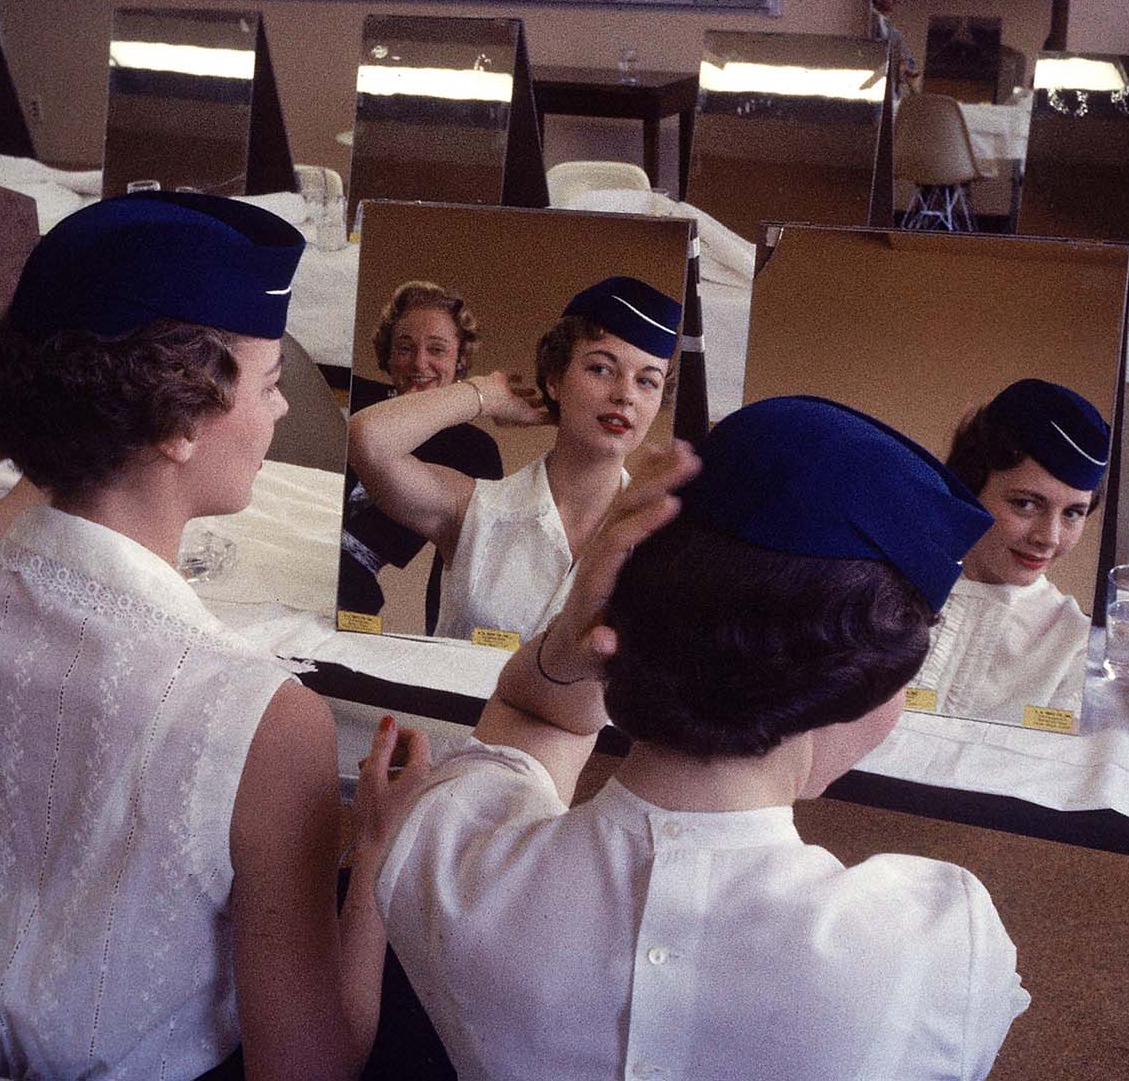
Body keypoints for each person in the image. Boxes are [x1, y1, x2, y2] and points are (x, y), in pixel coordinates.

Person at [0, 192, 429, 1081]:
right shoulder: (266, 723)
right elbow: (309, 1069)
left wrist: (49, 434)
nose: (283, 410)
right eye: (271, 383)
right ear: (177, 423)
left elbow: (0, 523)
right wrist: (374, 856)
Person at [376, 395, 1029, 1080]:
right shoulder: (940, 945)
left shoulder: (451, 860)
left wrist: (573, 629)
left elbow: (534, 713)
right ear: (859, 685)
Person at [348, 275, 680, 644]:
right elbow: (368, 439)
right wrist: (485, 395)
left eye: (647, 381)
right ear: (555, 380)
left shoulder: (662, 543)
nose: (625, 395)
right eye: (601, 369)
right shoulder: (473, 508)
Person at [911, 377, 1111, 715]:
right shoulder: (881, 589)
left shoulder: (1075, 644)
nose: (1049, 538)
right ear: (968, 487)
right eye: (1025, 504)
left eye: (1073, 513)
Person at [339, 280, 502, 629]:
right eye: (405, 347)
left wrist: (437, 639)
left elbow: (457, 567)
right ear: (388, 354)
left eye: (437, 350)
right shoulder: (356, 396)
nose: (419, 362)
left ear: (460, 361)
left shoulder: (474, 450)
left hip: (351, 592)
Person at [869, 0, 920, 96]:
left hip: (890, 94)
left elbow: (909, 65)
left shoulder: (892, 30)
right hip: (874, 92)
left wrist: (904, 68)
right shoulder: (869, 24)